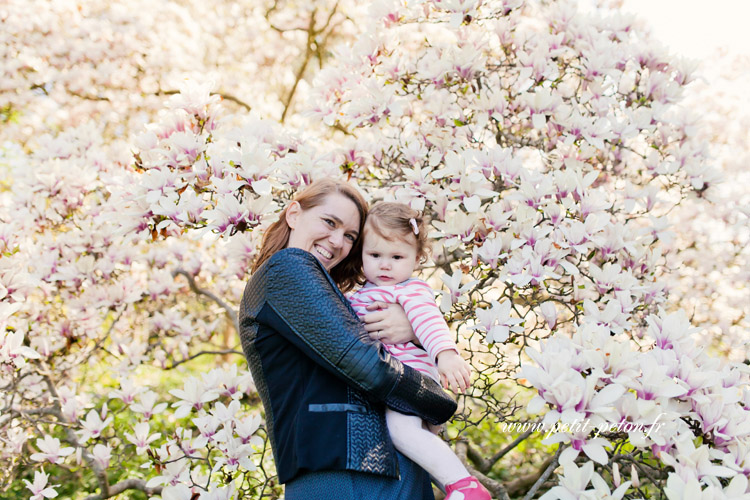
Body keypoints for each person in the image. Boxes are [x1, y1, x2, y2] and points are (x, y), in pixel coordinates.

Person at [238, 179, 457, 500]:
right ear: (294, 214)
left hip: (375, 466)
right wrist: (438, 401)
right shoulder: (288, 267)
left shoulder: (328, 290)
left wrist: (412, 331)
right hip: (346, 470)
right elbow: (368, 365)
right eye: (329, 222)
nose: (338, 240)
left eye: (350, 236)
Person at [348, 202, 492, 500]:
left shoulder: (410, 290)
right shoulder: (362, 292)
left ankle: (465, 487)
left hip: (411, 380)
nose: (385, 265)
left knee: (402, 432)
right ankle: (455, 488)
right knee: (417, 447)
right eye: (375, 255)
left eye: (397, 257)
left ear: (417, 259)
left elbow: (429, 321)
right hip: (393, 382)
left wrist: (445, 354)